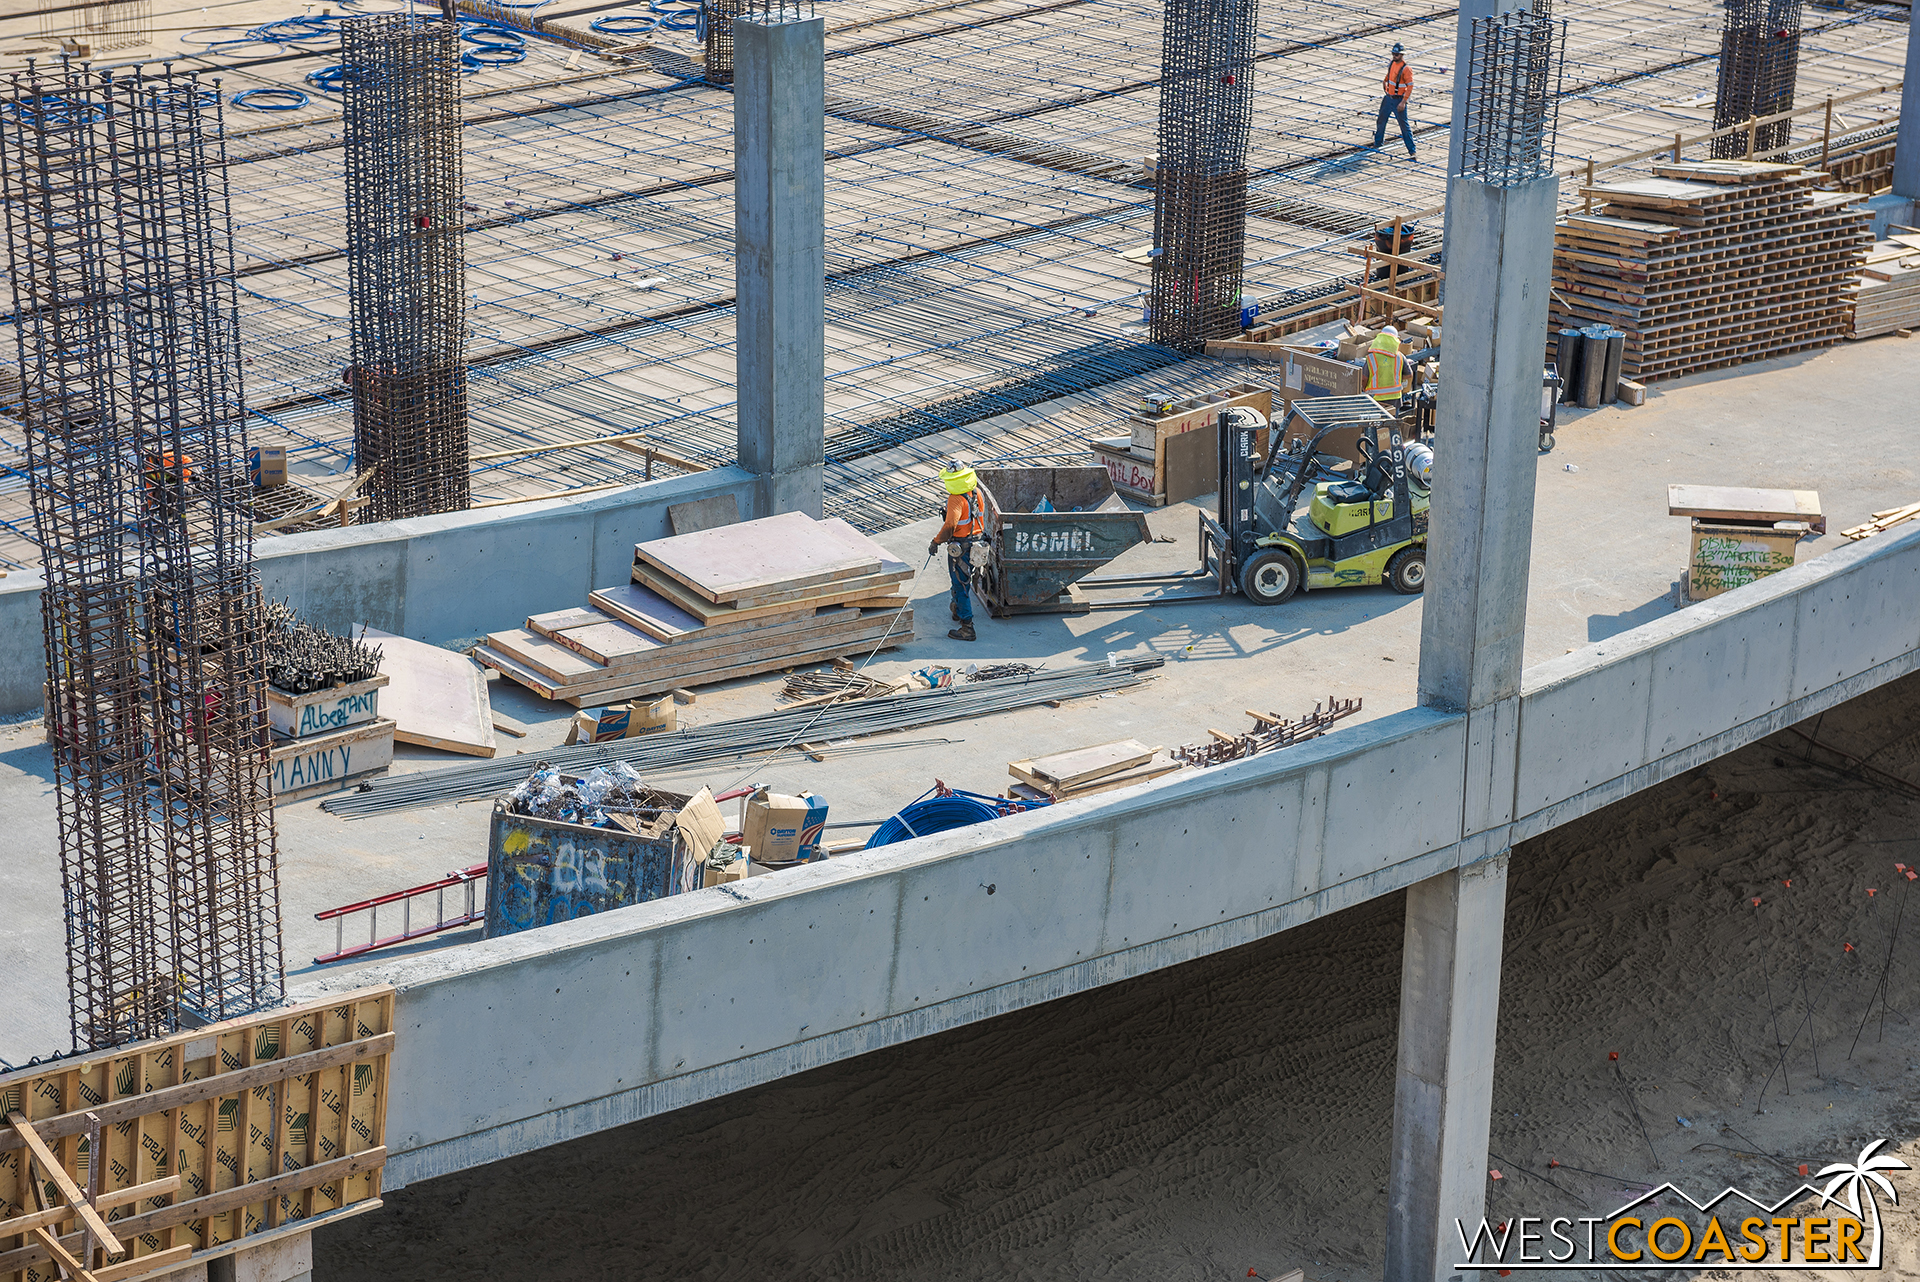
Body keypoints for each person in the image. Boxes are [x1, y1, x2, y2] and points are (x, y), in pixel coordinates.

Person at [928, 459, 984, 642]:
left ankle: (967, 628)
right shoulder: (977, 493)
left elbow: (950, 526)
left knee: (960, 584)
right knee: (963, 580)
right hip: (976, 542)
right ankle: (958, 610)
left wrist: (936, 542)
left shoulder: (955, 499)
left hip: (961, 546)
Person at [1373, 43, 1416, 159]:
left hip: (1398, 101)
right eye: (1393, 54)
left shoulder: (1406, 69)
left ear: (1402, 55)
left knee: (1404, 126)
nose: (1394, 56)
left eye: (1396, 54)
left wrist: (1403, 102)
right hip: (1388, 98)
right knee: (1381, 121)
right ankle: (1377, 143)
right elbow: (1390, 76)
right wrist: (1384, 82)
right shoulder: (1392, 63)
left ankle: (1412, 151)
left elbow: (1410, 86)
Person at [1364, 326, 1408, 408]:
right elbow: (1409, 375)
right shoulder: (1400, 356)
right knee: (1393, 419)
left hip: (1375, 398)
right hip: (1395, 398)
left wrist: (1363, 390)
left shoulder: (1372, 357)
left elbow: (1364, 379)